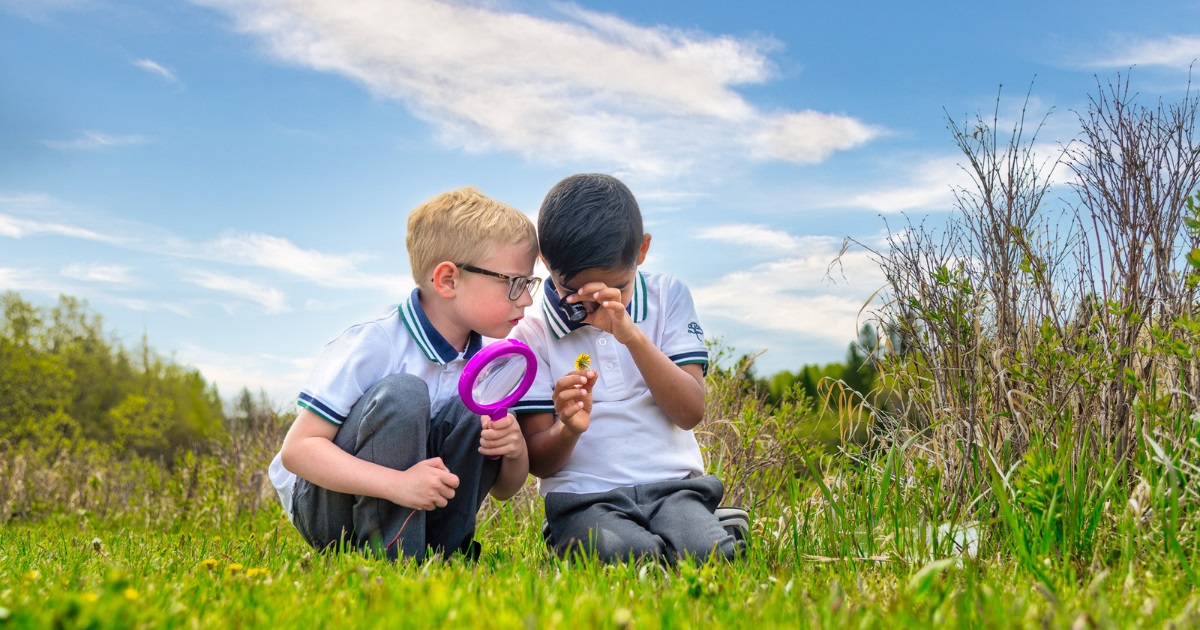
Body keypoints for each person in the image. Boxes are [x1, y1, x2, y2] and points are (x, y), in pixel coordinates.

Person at [267, 187, 538, 561]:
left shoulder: (489, 365)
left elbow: (505, 490)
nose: (527, 299)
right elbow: (298, 452)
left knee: (474, 408)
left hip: (420, 504)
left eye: (529, 284)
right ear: (448, 280)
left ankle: (445, 553)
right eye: (514, 283)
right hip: (328, 508)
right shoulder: (378, 341)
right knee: (403, 394)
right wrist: (398, 485)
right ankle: (392, 559)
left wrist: (514, 450)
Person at [511, 173, 740, 563]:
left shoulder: (668, 295)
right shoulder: (530, 333)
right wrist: (567, 427)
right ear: (546, 262)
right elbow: (539, 462)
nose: (595, 307)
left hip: (673, 488)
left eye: (617, 290)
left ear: (643, 251)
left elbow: (690, 413)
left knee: (711, 556)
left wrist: (632, 337)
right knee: (628, 557)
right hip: (584, 498)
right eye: (575, 295)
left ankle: (715, 527)